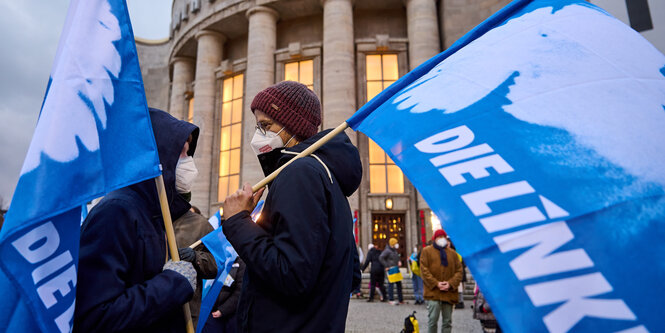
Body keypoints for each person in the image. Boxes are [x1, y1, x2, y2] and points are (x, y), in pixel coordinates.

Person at [221, 81, 362, 332]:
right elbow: (350, 275)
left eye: (266, 126)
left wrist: (237, 222)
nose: (258, 136)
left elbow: (292, 275)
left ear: (294, 127)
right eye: (258, 126)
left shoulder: (300, 173)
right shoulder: (326, 177)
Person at [74, 109, 200, 332]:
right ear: (159, 154)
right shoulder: (116, 212)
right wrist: (173, 283)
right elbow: (95, 317)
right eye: (181, 153)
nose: (189, 163)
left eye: (189, 153)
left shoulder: (149, 212)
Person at [420, 229, 463, 333]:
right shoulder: (427, 251)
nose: (441, 239)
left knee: (447, 321)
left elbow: (459, 271)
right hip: (433, 292)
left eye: (443, 237)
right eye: (439, 237)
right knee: (432, 320)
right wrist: (436, 283)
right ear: (434, 239)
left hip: (449, 292)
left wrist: (450, 283)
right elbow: (424, 270)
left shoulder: (452, 254)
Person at [203, 257, 246, 333]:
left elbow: (239, 292)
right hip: (209, 311)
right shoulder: (212, 259)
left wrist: (222, 310)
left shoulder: (240, 263)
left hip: (231, 312)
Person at [380, 237, 403, 305]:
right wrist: (386, 266)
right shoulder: (387, 250)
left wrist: (399, 261)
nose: (397, 244)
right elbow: (381, 257)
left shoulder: (394, 250)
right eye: (396, 243)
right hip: (391, 269)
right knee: (391, 284)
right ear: (393, 243)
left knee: (399, 284)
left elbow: (396, 258)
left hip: (396, 269)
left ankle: (400, 299)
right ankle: (391, 299)